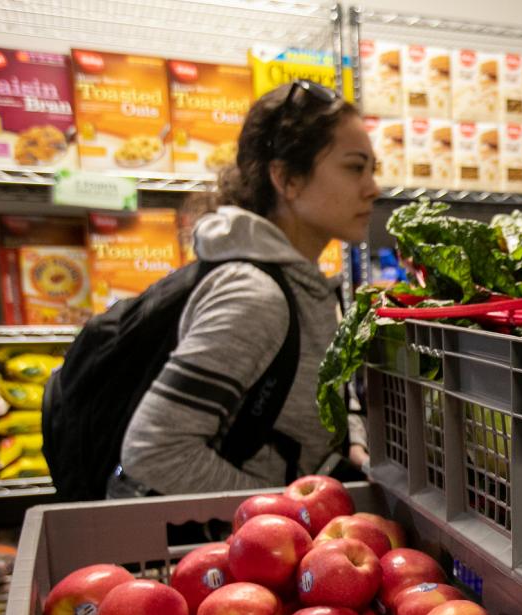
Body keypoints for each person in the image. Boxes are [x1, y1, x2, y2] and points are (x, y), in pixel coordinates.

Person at [108, 80, 378, 498]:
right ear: (287, 179)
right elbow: (154, 450)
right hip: (231, 551)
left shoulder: (301, 283)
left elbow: (325, 395)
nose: (373, 187)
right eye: (355, 167)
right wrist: (279, 514)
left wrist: (355, 442)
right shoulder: (257, 296)